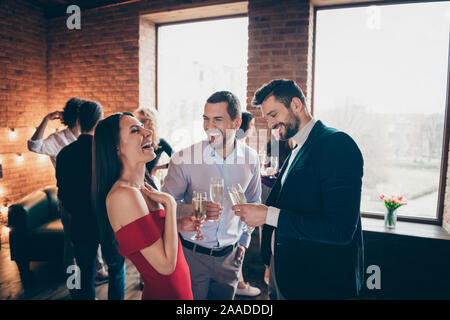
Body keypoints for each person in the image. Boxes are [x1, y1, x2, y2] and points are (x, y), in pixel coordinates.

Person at [232, 79, 364, 300]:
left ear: (296, 105)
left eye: (274, 115)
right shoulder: (296, 147)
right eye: (267, 118)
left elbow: (340, 230)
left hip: (318, 284)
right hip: (285, 274)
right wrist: (271, 261)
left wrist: (267, 215)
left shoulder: (337, 144)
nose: (271, 124)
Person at [162, 91, 262, 300]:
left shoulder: (251, 159)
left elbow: (254, 204)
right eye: (206, 119)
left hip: (231, 258)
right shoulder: (184, 158)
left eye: (217, 119)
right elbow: (166, 206)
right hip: (192, 255)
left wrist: (244, 240)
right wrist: (193, 209)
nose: (209, 127)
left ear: (236, 123)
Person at [93, 112, 196, 300]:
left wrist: (179, 224)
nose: (148, 132)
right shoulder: (123, 195)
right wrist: (170, 205)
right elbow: (165, 266)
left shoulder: (142, 186)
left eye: (143, 127)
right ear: (116, 147)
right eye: (135, 130)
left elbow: (152, 234)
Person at [28, 98, 108, 283]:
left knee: (92, 240)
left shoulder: (93, 138)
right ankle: (74, 282)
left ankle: (98, 271)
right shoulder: (57, 140)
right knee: (71, 244)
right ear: (77, 118)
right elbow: (33, 145)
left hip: (91, 198)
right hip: (69, 200)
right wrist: (46, 119)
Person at [56, 101, 124, 300]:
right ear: (100, 121)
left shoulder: (65, 154)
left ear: (77, 121)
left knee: (84, 272)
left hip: (80, 221)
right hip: (110, 221)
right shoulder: (110, 152)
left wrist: (76, 211)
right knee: (116, 271)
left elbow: (63, 194)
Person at [234, 111, 261, 297]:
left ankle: (240, 282)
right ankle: (240, 284)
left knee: (238, 246)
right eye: (252, 126)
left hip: (241, 204)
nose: (253, 130)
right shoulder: (243, 154)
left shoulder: (247, 153)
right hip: (237, 206)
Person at [134, 107, 173, 189]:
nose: (138, 124)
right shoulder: (133, 140)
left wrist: (156, 168)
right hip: (133, 181)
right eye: (136, 120)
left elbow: (178, 160)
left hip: (149, 182)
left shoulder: (160, 142)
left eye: (142, 121)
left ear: (150, 122)